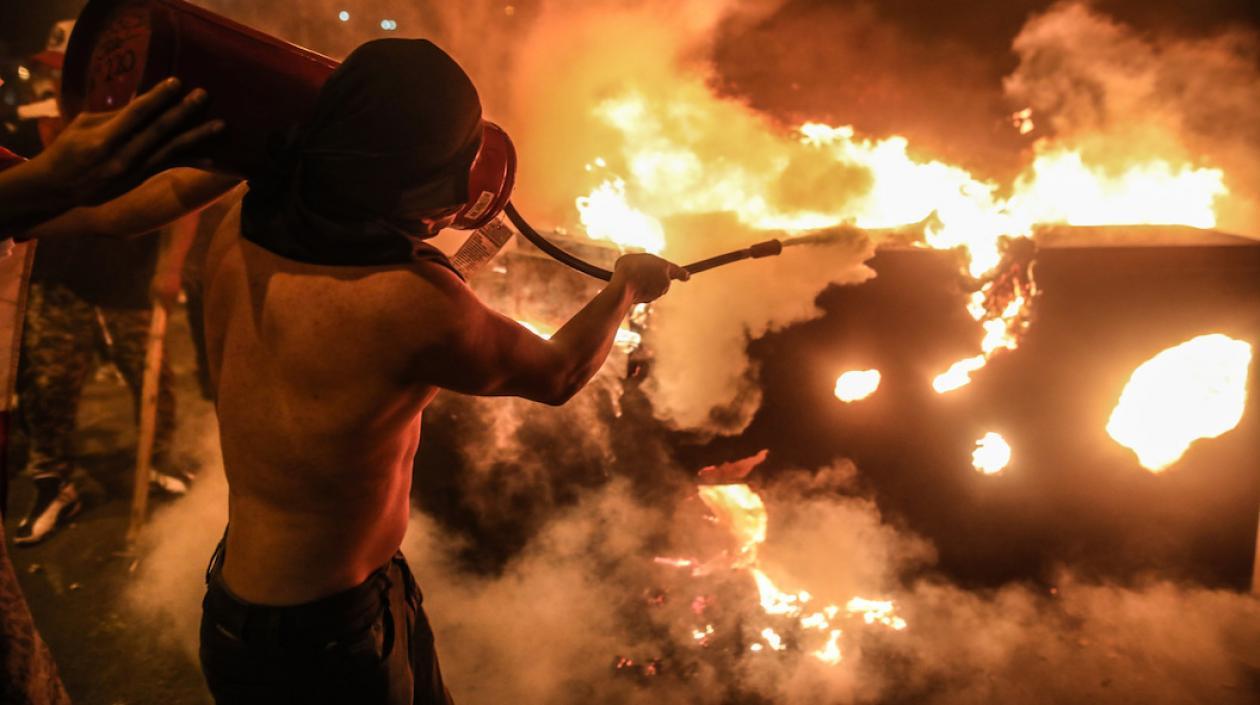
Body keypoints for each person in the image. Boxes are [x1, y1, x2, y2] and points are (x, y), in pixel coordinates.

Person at [197, 38, 686, 704]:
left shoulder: (238, 221)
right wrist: (626, 285)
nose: (462, 188)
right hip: (325, 642)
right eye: (451, 164)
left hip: (260, 606)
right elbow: (559, 373)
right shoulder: (411, 302)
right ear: (393, 172)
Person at [0, 76, 234, 705]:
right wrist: (55, 174)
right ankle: (54, 482)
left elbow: (119, 210)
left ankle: (158, 462)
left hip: (121, 283)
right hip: (62, 279)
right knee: (50, 385)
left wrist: (240, 154)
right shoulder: (42, 132)